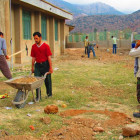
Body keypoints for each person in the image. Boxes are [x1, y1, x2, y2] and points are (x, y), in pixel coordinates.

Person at [31, 32, 53, 101]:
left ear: (40, 38)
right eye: (34, 39)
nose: (36, 40)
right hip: (37, 65)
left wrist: (50, 67)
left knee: (47, 80)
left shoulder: (46, 46)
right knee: (37, 81)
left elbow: (49, 57)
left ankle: (49, 94)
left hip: (45, 65)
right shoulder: (33, 47)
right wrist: (32, 67)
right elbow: (33, 57)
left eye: (37, 38)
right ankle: (38, 96)